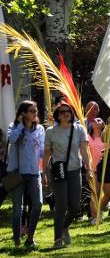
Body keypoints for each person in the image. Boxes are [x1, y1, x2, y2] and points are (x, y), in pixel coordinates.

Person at [43, 102, 91, 249]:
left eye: (68, 111)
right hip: (58, 171)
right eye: (62, 111)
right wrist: (44, 171)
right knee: (61, 206)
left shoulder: (79, 129)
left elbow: (84, 150)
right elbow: (47, 153)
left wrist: (88, 168)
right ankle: (57, 240)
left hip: (75, 169)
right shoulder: (51, 131)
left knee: (76, 206)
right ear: (57, 115)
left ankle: (64, 227)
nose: (66, 113)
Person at [7, 101, 45, 248]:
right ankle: (17, 240)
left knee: (38, 204)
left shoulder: (40, 129)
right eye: (31, 111)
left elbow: (41, 151)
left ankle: (30, 238)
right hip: (18, 173)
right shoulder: (14, 127)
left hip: (35, 172)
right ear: (23, 113)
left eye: (36, 111)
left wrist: (50, 148)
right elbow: (12, 139)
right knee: (18, 207)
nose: (35, 113)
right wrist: (22, 125)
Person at [87, 115, 105, 225]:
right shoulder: (88, 137)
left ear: (103, 124)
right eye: (94, 120)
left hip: (105, 169)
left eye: (99, 119)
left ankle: (100, 210)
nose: (96, 120)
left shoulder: (106, 137)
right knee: (95, 193)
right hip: (93, 169)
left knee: (106, 193)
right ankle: (94, 217)